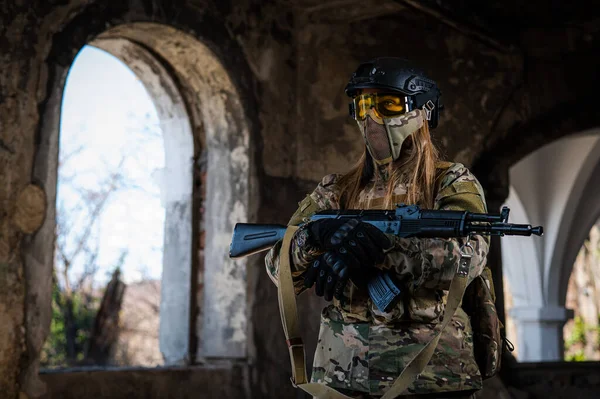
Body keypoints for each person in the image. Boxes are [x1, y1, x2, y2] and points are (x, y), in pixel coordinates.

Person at [265, 57, 490, 398]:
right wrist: (313, 238)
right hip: (342, 377)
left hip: (432, 377)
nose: (372, 117)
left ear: (423, 111)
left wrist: (382, 250)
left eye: (387, 104)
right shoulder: (335, 190)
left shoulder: (450, 181)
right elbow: (276, 267)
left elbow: (467, 260)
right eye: (363, 105)